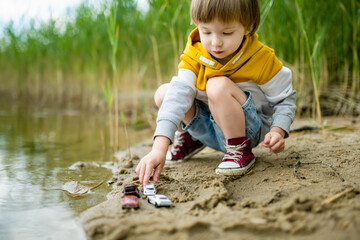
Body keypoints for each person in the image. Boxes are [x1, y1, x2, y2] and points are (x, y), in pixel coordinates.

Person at [136, 0, 296, 185]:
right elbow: (178, 95)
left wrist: (278, 131)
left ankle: (239, 150)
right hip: (209, 127)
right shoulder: (195, 54)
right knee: (165, 93)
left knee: (216, 85)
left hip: (246, 131)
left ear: (248, 26)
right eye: (206, 31)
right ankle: (191, 137)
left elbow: (285, 99)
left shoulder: (261, 58)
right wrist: (159, 148)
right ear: (196, 24)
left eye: (227, 33)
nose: (215, 42)